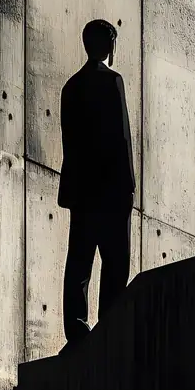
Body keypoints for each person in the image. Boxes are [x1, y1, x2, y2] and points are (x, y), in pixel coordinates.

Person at [57, 18, 135, 352]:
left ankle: (76, 328)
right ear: (109, 46)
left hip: (83, 193)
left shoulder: (71, 87)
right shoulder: (112, 82)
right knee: (116, 261)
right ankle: (111, 323)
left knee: (79, 262)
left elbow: (70, 143)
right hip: (111, 191)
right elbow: (121, 138)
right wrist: (128, 185)